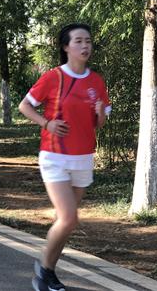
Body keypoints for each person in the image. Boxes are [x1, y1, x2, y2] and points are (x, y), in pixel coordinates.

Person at [19, 23, 111, 291]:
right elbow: (25, 105)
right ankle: (43, 273)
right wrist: (46, 123)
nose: (85, 46)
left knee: (65, 223)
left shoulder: (96, 81)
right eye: (78, 41)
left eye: (88, 41)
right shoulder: (54, 77)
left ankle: (48, 271)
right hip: (55, 156)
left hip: (83, 157)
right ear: (66, 47)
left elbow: (99, 123)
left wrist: (100, 112)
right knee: (69, 218)